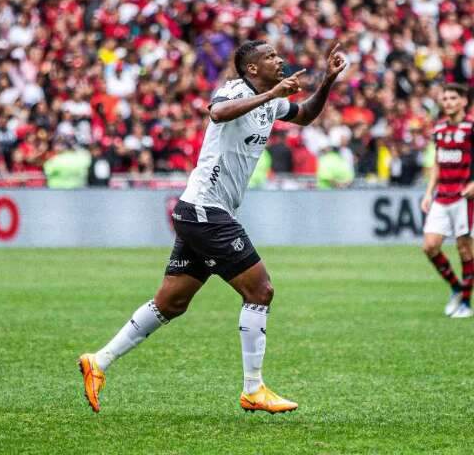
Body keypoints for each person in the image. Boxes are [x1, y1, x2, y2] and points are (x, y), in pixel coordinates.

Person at [78, 40, 347, 413]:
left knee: (171, 302)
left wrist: (328, 82)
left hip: (201, 213)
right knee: (260, 290)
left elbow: (304, 115)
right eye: (270, 56)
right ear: (252, 69)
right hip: (205, 210)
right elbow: (218, 113)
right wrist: (271, 93)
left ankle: (99, 361)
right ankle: (253, 389)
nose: (280, 59)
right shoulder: (236, 90)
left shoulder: (270, 99)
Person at [421, 83, 474, 318]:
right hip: (442, 195)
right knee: (430, 246)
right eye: (445, 98)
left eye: (453, 98)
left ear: (464, 101)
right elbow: (438, 163)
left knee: (464, 249)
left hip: (464, 197)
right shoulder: (439, 128)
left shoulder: (471, 127)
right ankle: (456, 287)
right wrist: (428, 192)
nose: (448, 102)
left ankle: (465, 303)